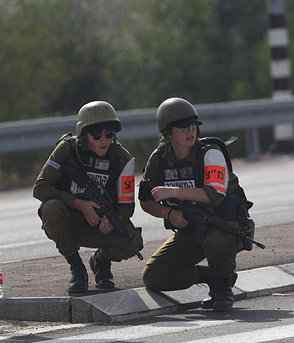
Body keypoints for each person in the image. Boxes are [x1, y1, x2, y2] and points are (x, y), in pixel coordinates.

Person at [138, 97, 254, 311]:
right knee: (154, 277)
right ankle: (210, 276)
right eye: (183, 128)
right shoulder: (160, 159)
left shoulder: (210, 153)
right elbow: (145, 200)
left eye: (193, 126)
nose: (190, 131)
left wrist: (173, 191)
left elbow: (214, 195)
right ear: (168, 133)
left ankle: (223, 287)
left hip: (225, 226)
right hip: (191, 230)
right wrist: (169, 213)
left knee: (217, 242)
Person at [33, 101, 143, 294]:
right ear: (84, 134)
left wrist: (113, 219)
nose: (104, 140)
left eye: (109, 134)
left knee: (131, 242)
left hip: (101, 224)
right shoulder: (67, 150)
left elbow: (127, 205)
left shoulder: (120, 159)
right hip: (70, 222)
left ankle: (100, 261)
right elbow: (40, 188)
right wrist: (79, 204)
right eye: (97, 134)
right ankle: (77, 268)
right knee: (51, 208)